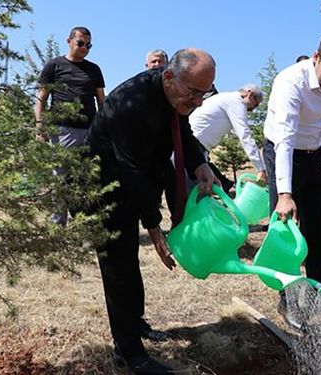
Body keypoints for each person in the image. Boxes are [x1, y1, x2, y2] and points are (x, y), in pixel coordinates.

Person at [87, 48, 217, 375]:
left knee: (130, 264)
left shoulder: (175, 94)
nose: (199, 102)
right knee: (119, 267)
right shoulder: (130, 103)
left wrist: (199, 163)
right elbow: (130, 169)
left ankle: (133, 325)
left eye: (206, 94)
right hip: (102, 185)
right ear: (169, 77)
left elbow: (182, 131)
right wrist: (155, 225)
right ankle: (129, 354)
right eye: (194, 93)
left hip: (136, 177)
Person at [263, 33, 321, 325]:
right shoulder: (290, 83)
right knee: (286, 230)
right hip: (283, 152)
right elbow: (285, 141)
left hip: (315, 154)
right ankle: (288, 299)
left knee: (316, 224)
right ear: (316, 57)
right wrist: (285, 194)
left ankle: (317, 291)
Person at [34, 26, 106, 225]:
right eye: (80, 43)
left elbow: (102, 102)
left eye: (88, 45)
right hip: (62, 131)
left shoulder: (94, 69)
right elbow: (41, 99)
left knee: (87, 180)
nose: (84, 48)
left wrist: (105, 129)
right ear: (69, 41)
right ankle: (58, 225)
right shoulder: (54, 65)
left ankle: (84, 224)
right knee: (61, 179)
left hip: (90, 131)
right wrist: (40, 126)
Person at [189, 84, 267, 185]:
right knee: (196, 187)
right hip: (195, 143)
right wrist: (260, 168)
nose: (252, 110)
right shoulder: (237, 102)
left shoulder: (227, 99)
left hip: (198, 143)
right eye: (255, 105)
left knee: (215, 184)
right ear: (249, 94)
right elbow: (245, 136)